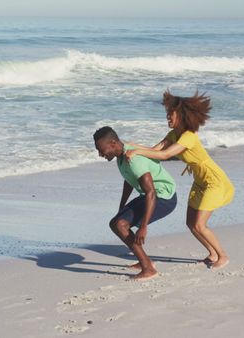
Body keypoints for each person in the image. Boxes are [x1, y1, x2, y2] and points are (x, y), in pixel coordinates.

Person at [125, 90, 234, 269]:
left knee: (199, 224)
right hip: (200, 182)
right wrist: (128, 145)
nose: (168, 118)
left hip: (213, 181)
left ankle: (223, 255)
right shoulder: (174, 134)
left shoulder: (188, 136)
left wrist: (136, 151)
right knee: (191, 223)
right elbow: (155, 150)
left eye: (171, 115)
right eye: (167, 114)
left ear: (181, 116)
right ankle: (212, 253)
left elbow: (166, 154)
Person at [93, 126, 177, 281]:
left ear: (113, 143)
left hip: (164, 197)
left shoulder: (134, 160)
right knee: (115, 223)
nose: (100, 154)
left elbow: (151, 193)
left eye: (101, 150)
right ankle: (145, 262)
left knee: (120, 225)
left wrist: (143, 227)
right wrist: (122, 206)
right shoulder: (121, 157)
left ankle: (148, 268)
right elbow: (129, 180)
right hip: (150, 195)